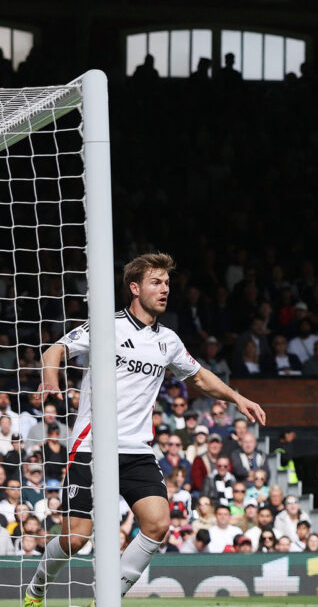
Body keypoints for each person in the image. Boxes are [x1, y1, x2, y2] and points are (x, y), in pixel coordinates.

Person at [25, 253, 268, 607]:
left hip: (136, 449)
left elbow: (199, 376)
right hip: (91, 444)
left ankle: (104, 599)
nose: (165, 288)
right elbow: (56, 349)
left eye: (168, 283)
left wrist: (236, 397)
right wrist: (50, 379)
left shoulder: (167, 340)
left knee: (157, 525)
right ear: (135, 288)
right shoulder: (107, 326)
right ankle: (36, 590)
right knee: (76, 539)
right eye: (156, 282)